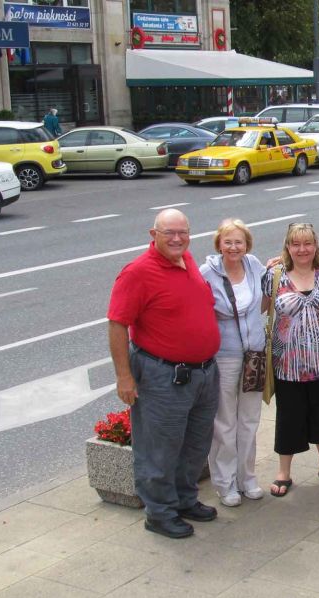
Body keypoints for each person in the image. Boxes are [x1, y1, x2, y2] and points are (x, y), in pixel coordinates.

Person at [107, 209, 220, 539]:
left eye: (182, 232)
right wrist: (124, 376)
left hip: (202, 374)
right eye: (168, 232)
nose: (176, 238)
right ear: (152, 234)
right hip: (163, 376)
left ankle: (184, 500)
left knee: (195, 445)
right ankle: (159, 512)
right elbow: (117, 324)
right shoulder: (138, 272)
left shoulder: (187, 260)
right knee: (160, 448)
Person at [263, 223, 319, 497]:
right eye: (296, 244)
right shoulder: (275, 275)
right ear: (287, 247)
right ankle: (284, 472)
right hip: (288, 363)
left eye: (307, 243)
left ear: (315, 245)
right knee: (289, 416)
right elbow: (259, 308)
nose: (302, 249)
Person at [199, 219, 267, 507]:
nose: (233, 247)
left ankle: (247, 477)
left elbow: (268, 296)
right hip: (225, 355)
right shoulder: (207, 273)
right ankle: (225, 483)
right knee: (225, 422)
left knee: (249, 419)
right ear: (219, 244)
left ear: (247, 245)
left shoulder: (254, 265)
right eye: (228, 242)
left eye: (239, 242)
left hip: (255, 354)